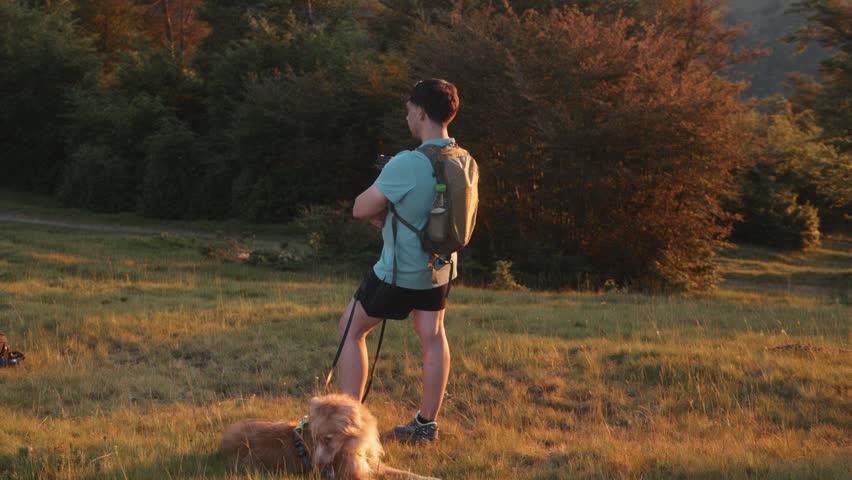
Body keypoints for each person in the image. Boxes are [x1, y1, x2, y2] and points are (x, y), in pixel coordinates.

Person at [337, 78, 466, 443]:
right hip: (440, 270)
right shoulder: (463, 159)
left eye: (409, 110)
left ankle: (349, 422)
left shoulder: (408, 162)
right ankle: (425, 425)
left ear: (421, 112)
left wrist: (383, 202)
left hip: (399, 271)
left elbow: (360, 208)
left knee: (351, 329)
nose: (407, 116)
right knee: (433, 336)